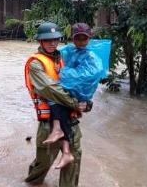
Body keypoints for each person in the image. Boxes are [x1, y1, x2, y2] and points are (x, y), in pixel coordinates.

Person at [24, 22, 90, 187]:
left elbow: (79, 83)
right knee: (42, 166)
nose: (52, 43)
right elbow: (49, 89)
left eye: (55, 39)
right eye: (47, 40)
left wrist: (86, 103)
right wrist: (75, 103)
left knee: (72, 166)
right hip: (49, 125)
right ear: (40, 41)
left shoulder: (64, 60)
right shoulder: (35, 64)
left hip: (71, 122)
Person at [42, 23, 104, 169]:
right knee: (44, 161)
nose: (81, 41)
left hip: (77, 96)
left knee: (70, 163)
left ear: (90, 38)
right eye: (78, 38)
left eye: (84, 38)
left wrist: (63, 71)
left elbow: (86, 76)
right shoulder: (67, 51)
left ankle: (65, 150)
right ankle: (63, 148)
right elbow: (54, 62)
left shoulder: (92, 57)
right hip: (65, 98)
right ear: (72, 38)